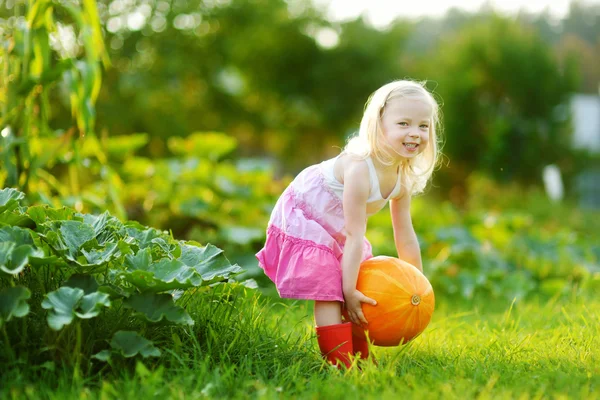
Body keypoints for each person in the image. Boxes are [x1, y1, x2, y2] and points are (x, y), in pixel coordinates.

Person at [256, 79, 442, 368]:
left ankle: (359, 354)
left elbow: (405, 235)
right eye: (403, 123)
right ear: (379, 126)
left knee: (358, 283)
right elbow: (356, 235)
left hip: (339, 227)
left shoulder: (403, 177)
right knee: (332, 288)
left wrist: (416, 284)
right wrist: (347, 290)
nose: (415, 133)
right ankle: (339, 363)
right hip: (305, 215)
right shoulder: (360, 168)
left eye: (423, 126)